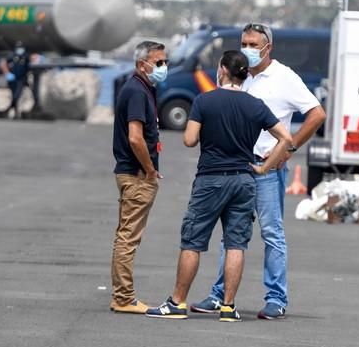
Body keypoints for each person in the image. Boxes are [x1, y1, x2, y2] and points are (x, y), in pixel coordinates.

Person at [191, 22, 326, 320]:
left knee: (271, 232)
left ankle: (276, 298)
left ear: (268, 48)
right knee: (231, 234)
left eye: (254, 44)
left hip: (266, 167)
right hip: (236, 166)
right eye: (244, 43)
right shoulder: (239, 76)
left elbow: (317, 114)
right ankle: (219, 295)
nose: (248, 49)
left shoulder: (284, 77)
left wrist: (288, 150)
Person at [146, 50, 292, 322]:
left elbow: (189, 140)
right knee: (236, 243)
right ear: (244, 74)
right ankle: (228, 307)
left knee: (193, 241)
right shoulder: (255, 105)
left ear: (223, 70)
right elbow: (285, 138)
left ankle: (177, 302)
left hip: (211, 178)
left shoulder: (205, 101)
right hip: (244, 179)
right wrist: (264, 167)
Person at [110, 40, 168, 314]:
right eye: (158, 63)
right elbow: (135, 138)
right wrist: (149, 170)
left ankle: (122, 295)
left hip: (135, 172)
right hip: (135, 175)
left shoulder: (142, 89)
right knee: (128, 237)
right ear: (141, 64)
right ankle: (123, 297)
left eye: (164, 62)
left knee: (127, 235)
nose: (163, 67)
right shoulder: (136, 92)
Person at [0, 41, 33, 118]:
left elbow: (33, 61)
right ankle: (16, 112)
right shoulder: (12, 55)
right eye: (18, 48)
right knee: (14, 96)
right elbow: (3, 63)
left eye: (21, 48)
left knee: (16, 96)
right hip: (12, 80)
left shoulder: (26, 56)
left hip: (21, 79)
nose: (19, 49)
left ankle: (7, 110)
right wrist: (7, 73)